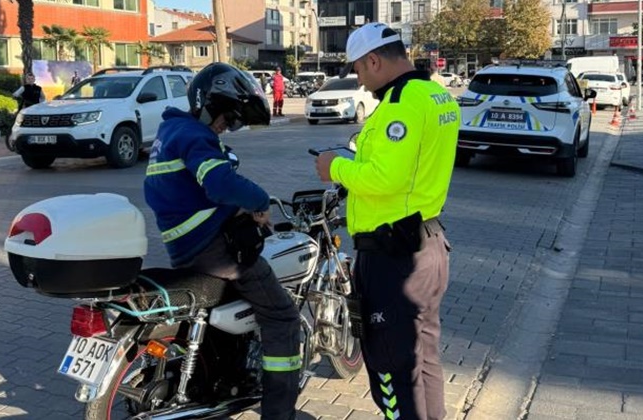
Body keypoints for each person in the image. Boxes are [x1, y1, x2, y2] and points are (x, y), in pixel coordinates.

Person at [314, 22, 460, 420]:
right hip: (426, 243)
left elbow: (386, 178)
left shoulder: (401, 104)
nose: (360, 83)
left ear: (374, 60)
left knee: (391, 364)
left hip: (395, 256)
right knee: (423, 358)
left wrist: (335, 167)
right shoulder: (435, 94)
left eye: (359, 70)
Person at [143, 62, 300, 420]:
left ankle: (225, 380)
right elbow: (220, 183)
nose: (226, 127)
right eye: (227, 118)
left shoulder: (171, 131)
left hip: (184, 248)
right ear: (208, 104)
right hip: (212, 249)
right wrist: (258, 202)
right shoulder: (194, 136)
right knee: (282, 316)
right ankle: (279, 414)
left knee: (227, 316)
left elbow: (191, 191)